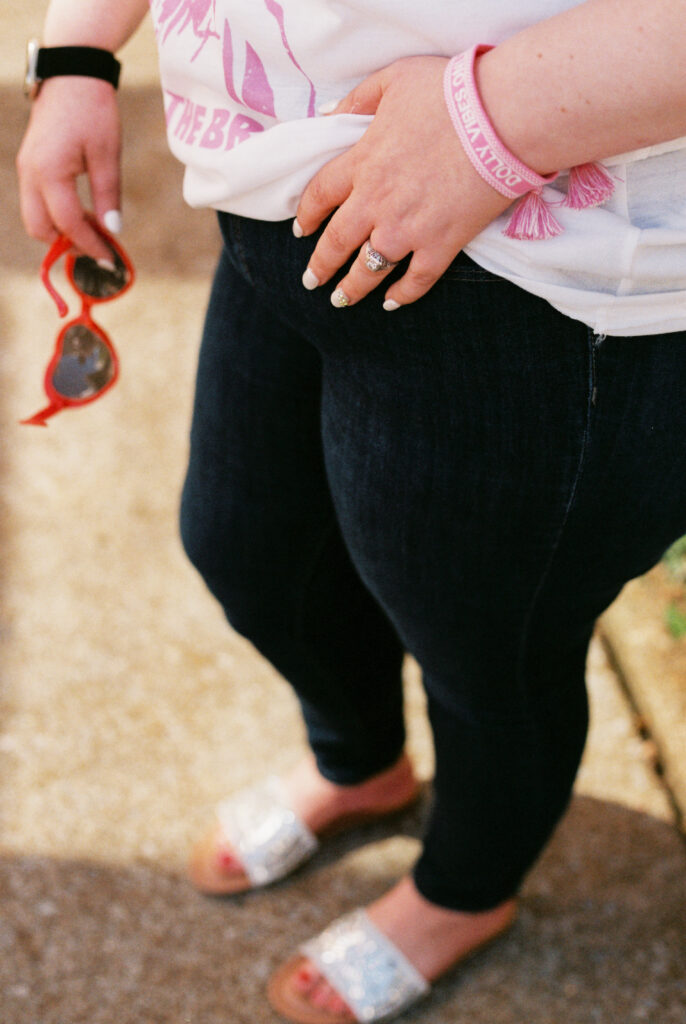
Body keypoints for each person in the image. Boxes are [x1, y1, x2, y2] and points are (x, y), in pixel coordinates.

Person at [17, 1, 686, 1021]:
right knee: (244, 545)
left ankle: (462, 889)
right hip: (275, 188)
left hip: (539, 274)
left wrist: (489, 119)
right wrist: (79, 48)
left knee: (487, 657)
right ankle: (361, 766)